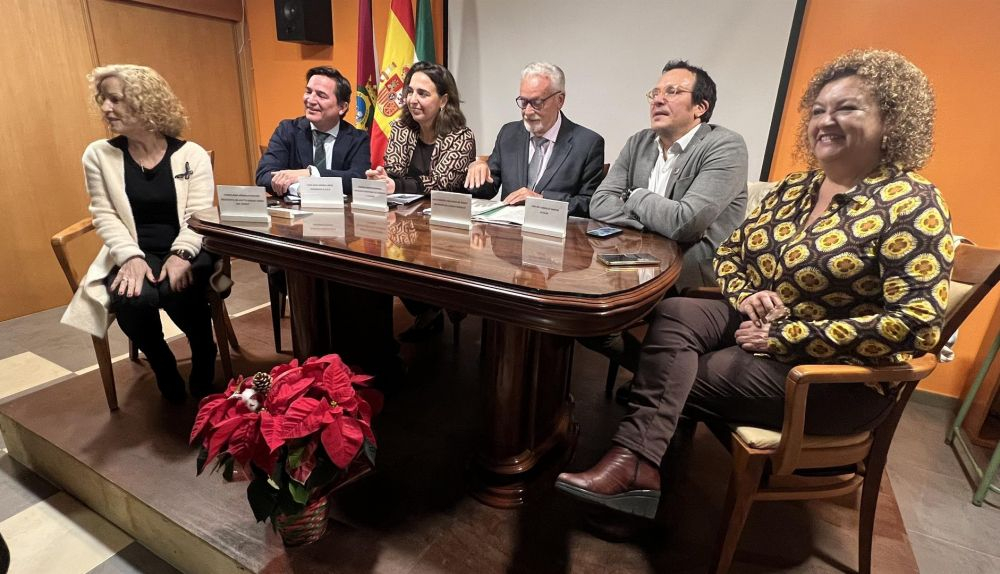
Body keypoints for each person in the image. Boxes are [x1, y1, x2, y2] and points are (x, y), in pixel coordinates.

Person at [556, 49, 952, 520]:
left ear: (892, 120)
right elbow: (729, 253)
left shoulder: (913, 203)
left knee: (676, 371)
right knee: (675, 313)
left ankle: (634, 464)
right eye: (819, 110)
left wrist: (786, 335)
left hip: (833, 378)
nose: (825, 120)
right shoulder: (797, 188)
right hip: (758, 329)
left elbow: (918, 326)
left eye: (846, 108)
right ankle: (640, 465)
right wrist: (748, 294)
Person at [61, 65, 228, 402]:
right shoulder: (99, 155)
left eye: (115, 99)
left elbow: (199, 216)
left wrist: (181, 254)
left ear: (146, 102)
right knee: (130, 296)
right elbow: (104, 214)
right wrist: (130, 258)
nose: (105, 107)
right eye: (102, 99)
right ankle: (162, 363)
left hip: (190, 244)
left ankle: (204, 352)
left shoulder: (191, 154)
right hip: (134, 249)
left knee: (178, 287)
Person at [582, 60, 749, 369]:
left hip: (689, 272)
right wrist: (657, 222)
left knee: (597, 318)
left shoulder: (725, 146)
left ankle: (663, 381)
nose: (658, 100)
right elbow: (600, 203)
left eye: (672, 92)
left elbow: (685, 223)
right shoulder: (639, 142)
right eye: (655, 93)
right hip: (632, 261)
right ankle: (653, 374)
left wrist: (634, 196)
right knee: (584, 313)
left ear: (700, 107)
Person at [367, 61, 476, 341]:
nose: (413, 99)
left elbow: (443, 182)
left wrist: (397, 184)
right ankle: (424, 311)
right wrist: (382, 178)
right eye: (410, 91)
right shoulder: (401, 128)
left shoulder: (461, 135)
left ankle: (441, 306)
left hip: (447, 227)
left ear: (444, 100)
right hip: (407, 221)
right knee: (383, 259)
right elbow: (394, 169)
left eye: (423, 93)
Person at [464, 62, 605, 217]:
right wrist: (477, 172)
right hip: (508, 228)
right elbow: (487, 190)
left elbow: (589, 204)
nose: (528, 112)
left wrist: (542, 200)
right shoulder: (509, 133)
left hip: (554, 229)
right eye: (523, 102)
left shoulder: (588, 144)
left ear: (560, 100)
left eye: (537, 102)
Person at [256, 66, 370, 198]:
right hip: (294, 209)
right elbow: (264, 175)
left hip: (340, 210)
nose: (310, 100)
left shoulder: (357, 138)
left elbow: (358, 179)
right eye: (308, 92)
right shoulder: (287, 130)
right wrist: (299, 188)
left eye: (321, 95)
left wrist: (311, 173)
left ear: (342, 107)